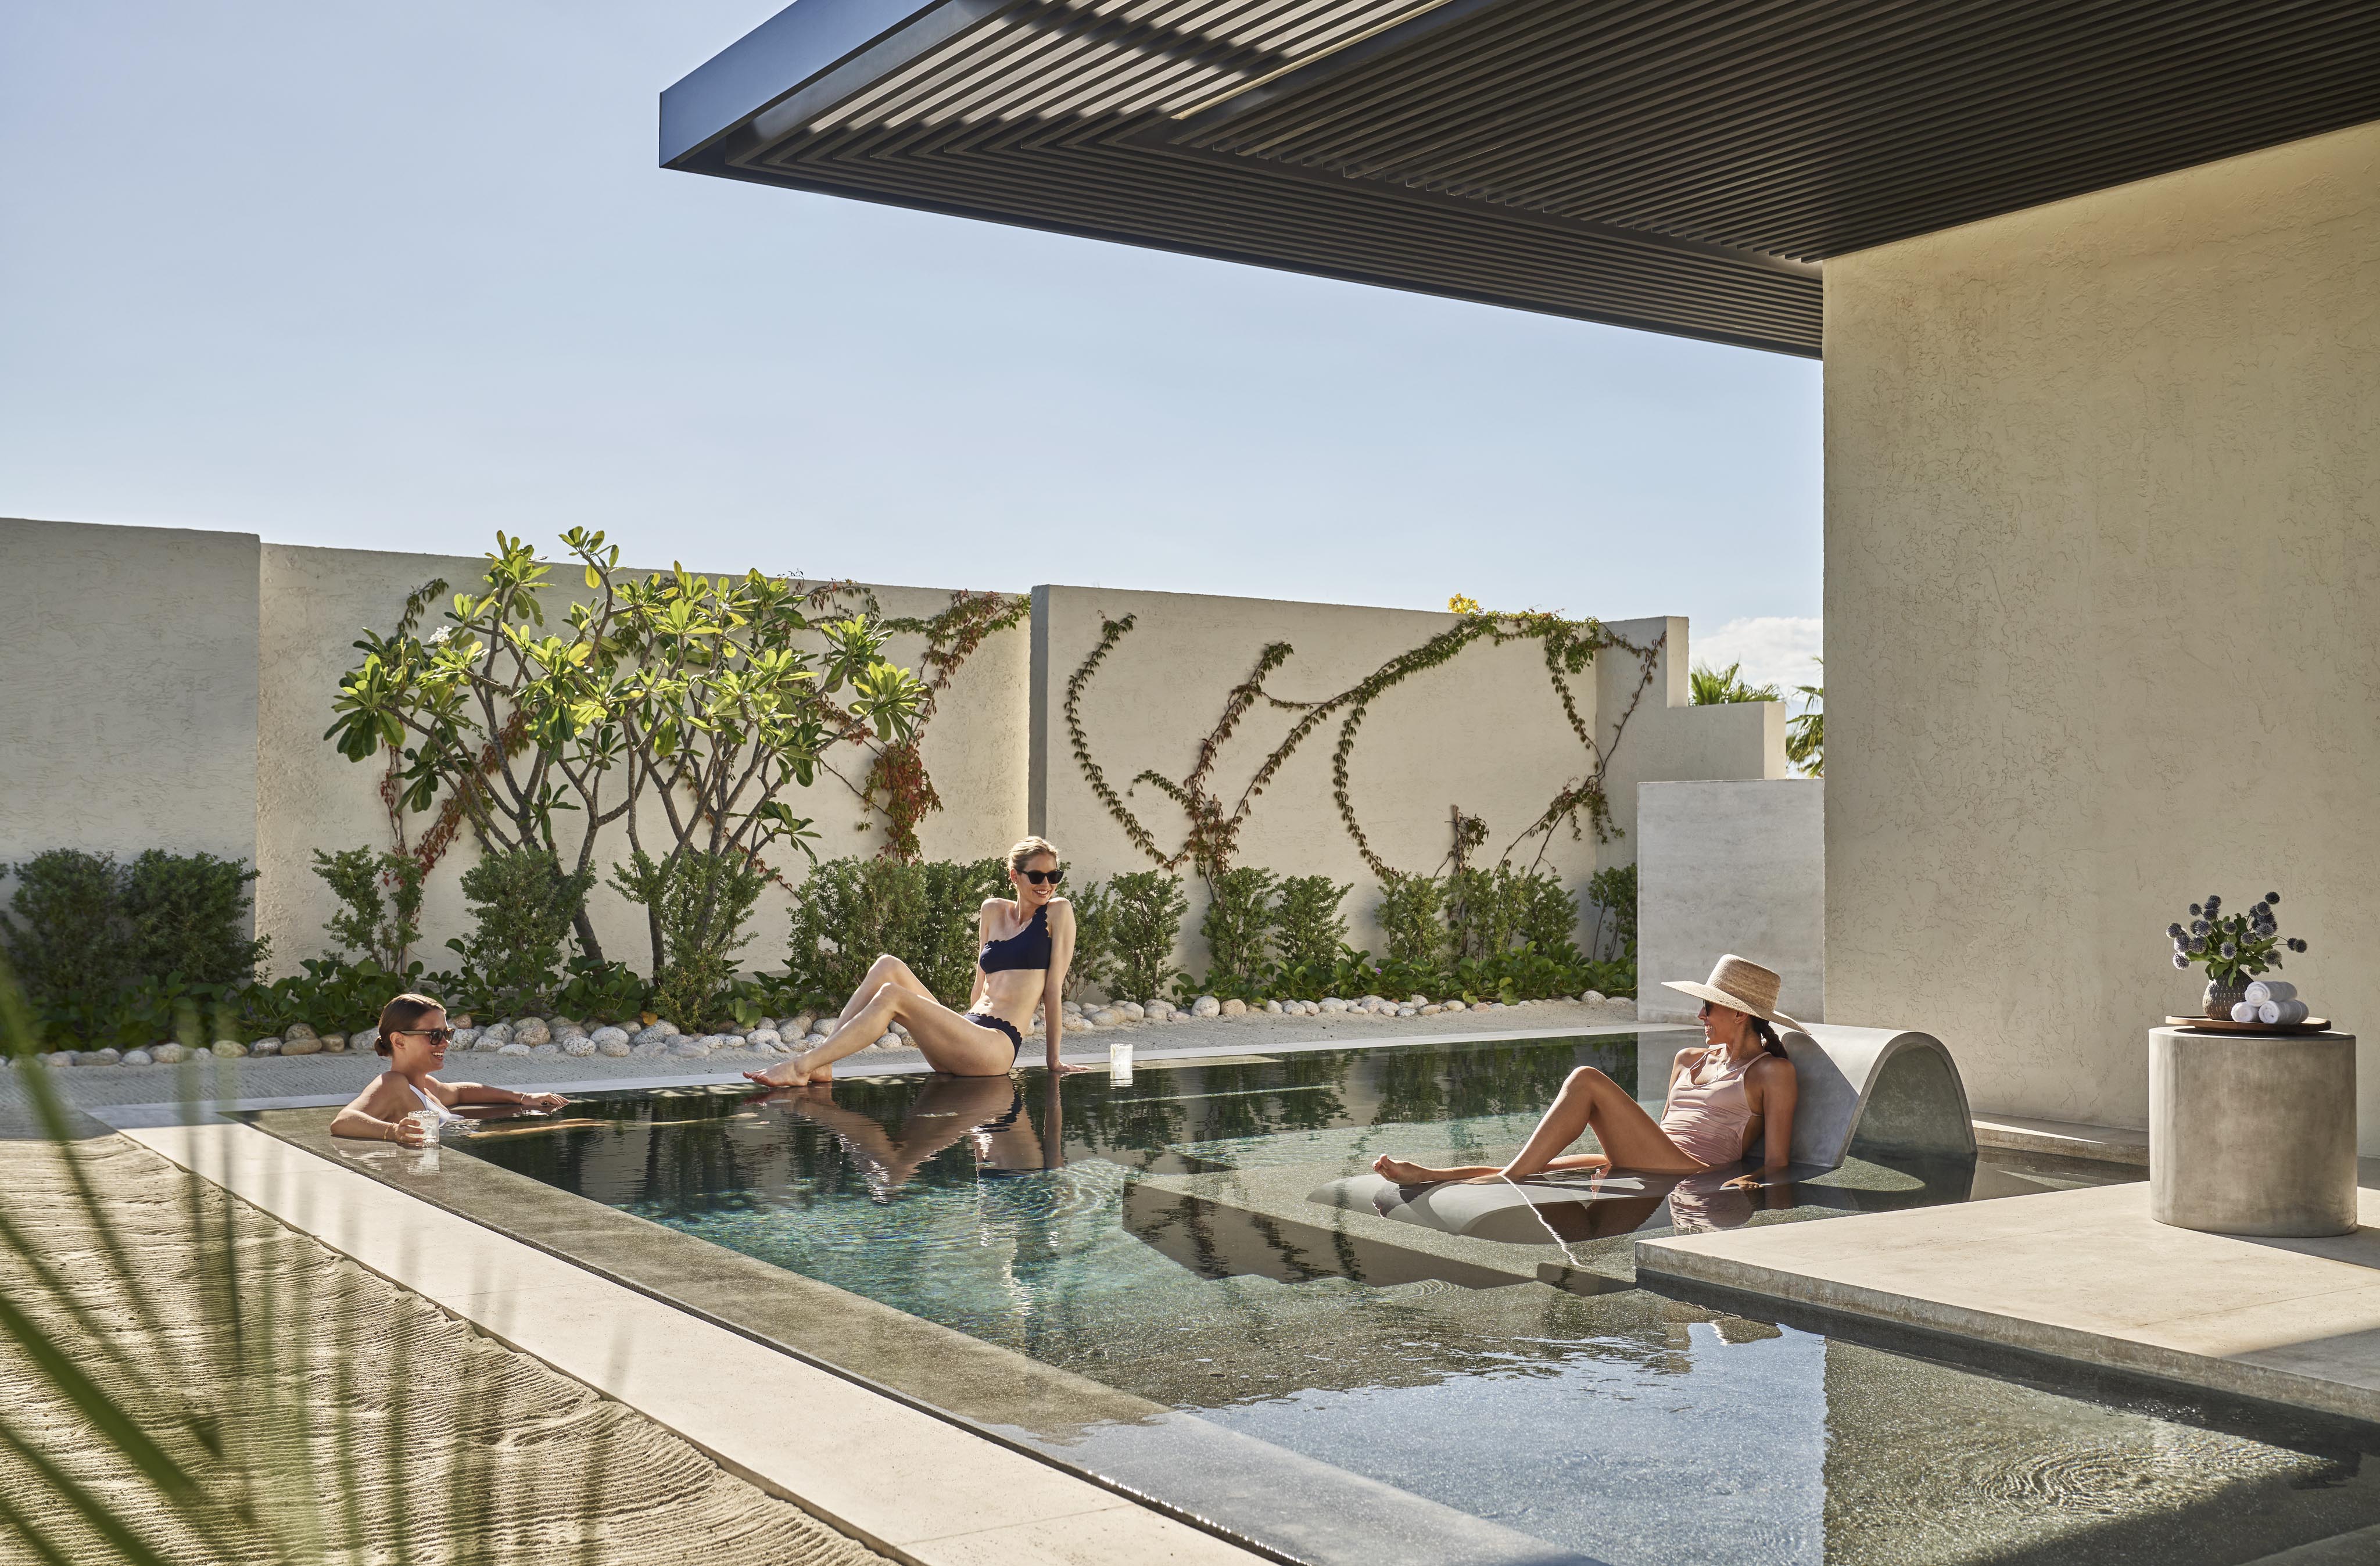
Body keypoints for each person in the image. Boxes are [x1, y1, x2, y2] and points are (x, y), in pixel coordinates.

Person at [1370, 954, 1801, 1191]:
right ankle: (1430, 1174)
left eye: (1708, 1006)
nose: (1700, 1014)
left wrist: (1749, 1179)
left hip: (1690, 1168)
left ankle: (1503, 1183)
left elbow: (1778, 1160)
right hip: (1655, 1155)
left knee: (1586, 1079)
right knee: (1532, 1166)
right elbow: (1664, 1127)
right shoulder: (1688, 1059)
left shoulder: (1772, 1073)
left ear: (1739, 1014)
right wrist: (1627, 1151)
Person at [745, 836, 1085, 1087]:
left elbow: (1053, 990)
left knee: (893, 995)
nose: (1047, 885)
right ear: (1015, 876)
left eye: (1053, 877)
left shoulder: (1059, 912)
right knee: (887, 965)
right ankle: (824, 1066)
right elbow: (979, 988)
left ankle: (801, 1066)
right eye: (1037, 877)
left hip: (996, 1047)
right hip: (971, 1032)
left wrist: (1053, 1062)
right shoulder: (992, 911)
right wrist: (955, 1027)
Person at [329, 993, 568, 1144]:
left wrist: (524, 1098)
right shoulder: (392, 1083)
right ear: (399, 1041)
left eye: (447, 1033)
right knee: (573, 1125)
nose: (445, 1042)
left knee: (574, 1123)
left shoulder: (425, 1085)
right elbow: (344, 1121)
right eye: (434, 1035)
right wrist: (393, 1132)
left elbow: (463, 1092)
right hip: (443, 1162)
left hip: (469, 1143)